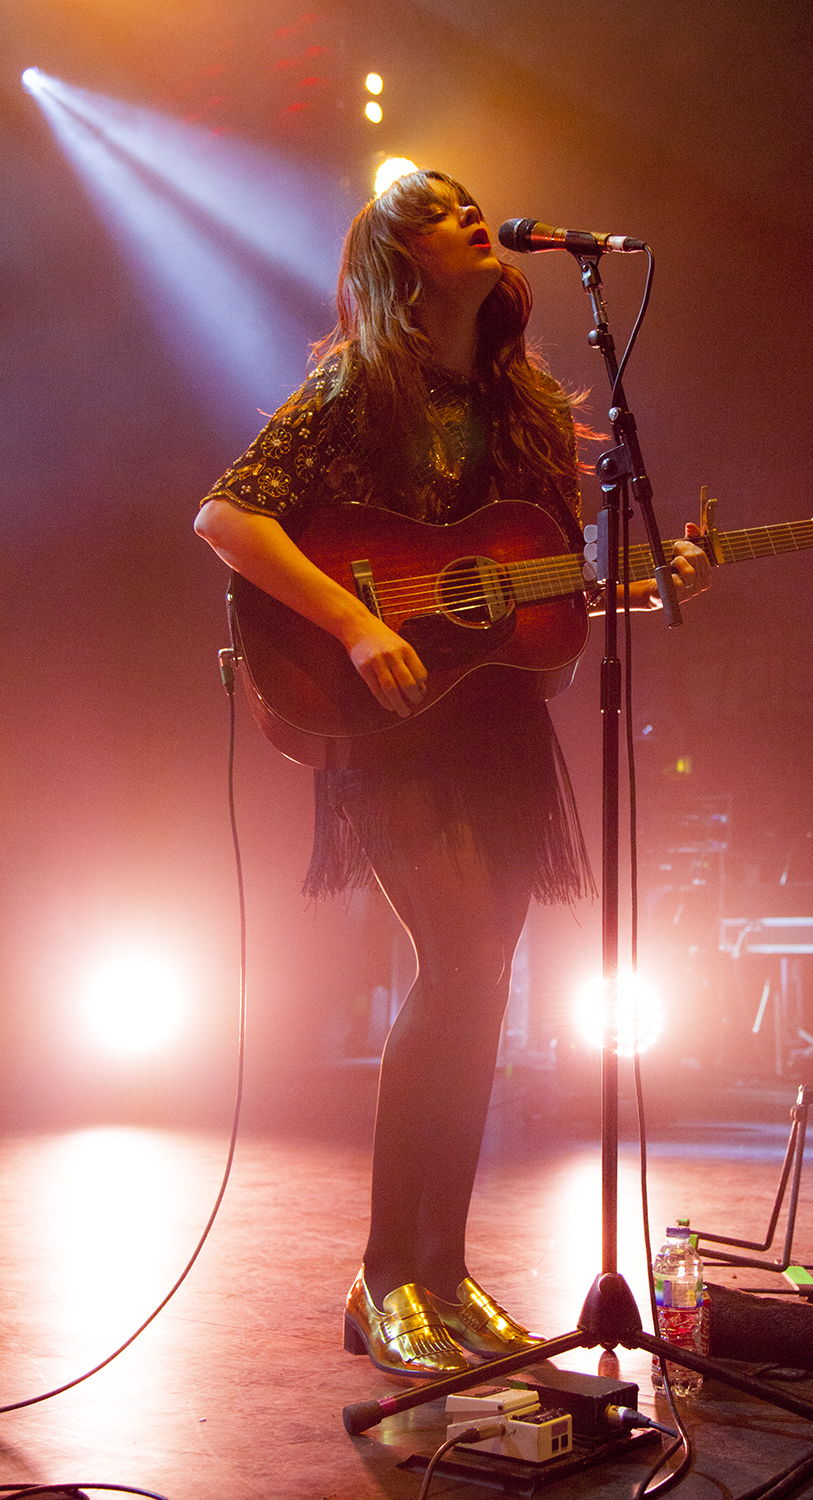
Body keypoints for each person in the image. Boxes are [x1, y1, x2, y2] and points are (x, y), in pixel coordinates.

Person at [194, 169, 710, 1379]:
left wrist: (645, 578)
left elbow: (530, 581)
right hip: (384, 713)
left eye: (469, 199)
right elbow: (228, 517)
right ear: (395, 258)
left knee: (484, 984)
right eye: (432, 209)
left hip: (485, 722)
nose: (466, 213)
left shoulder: (527, 400)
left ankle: (446, 1270)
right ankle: (382, 1280)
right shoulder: (352, 387)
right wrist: (358, 622)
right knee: (461, 964)